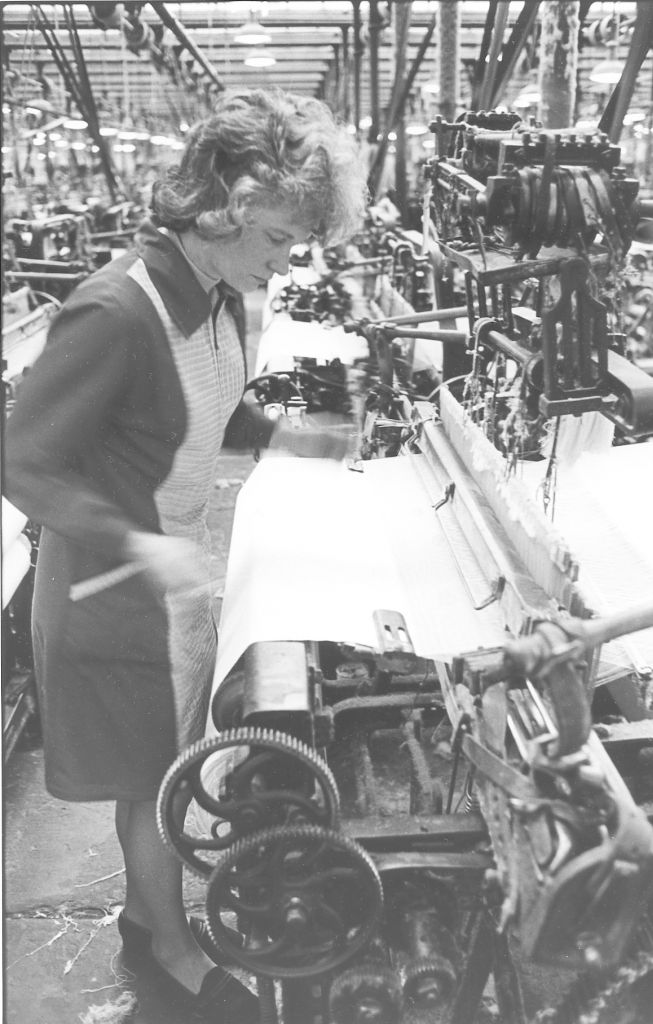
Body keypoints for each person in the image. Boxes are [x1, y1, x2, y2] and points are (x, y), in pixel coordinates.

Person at [4, 88, 368, 1022]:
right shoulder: (116, 309)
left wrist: (289, 435)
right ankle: (165, 946)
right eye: (278, 238)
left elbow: (196, 404)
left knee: (165, 762)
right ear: (226, 205)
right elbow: (21, 459)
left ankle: (146, 915)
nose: (286, 260)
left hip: (167, 570)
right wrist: (137, 545)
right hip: (112, 587)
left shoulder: (215, 298)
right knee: (150, 778)